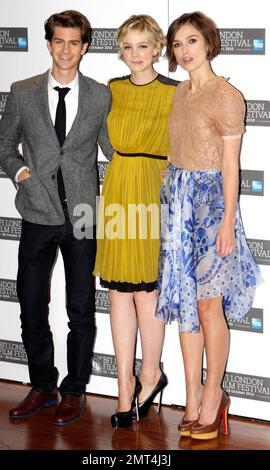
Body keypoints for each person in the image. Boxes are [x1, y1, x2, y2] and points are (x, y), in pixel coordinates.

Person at [0, 10, 113, 426]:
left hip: (82, 213)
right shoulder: (22, 91)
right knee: (30, 305)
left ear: (84, 46)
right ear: (48, 44)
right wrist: (22, 174)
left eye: (73, 42)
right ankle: (43, 385)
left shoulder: (100, 95)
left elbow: (114, 151)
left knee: (80, 308)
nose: (65, 49)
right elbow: (3, 144)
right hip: (37, 211)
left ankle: (74, 390)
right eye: (58, 41)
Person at [156, 11, 262, 440]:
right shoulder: (180, 93)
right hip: (179, 205)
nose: (183, 51)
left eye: (191, 41)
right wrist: (170, 173)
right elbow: (178, 145)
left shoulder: (227, 96)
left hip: (213, 206)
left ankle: (214, 394)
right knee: (185, 304)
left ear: (208, 43)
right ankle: (192, 394)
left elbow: (231, 167)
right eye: (177, 44)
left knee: (207, 305)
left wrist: (225, 223)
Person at [93, 15, 179, 428]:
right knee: (116, 292)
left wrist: (171, 168)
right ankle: (123, 388)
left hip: (152, 188)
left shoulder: (174, 92)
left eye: (142, 46)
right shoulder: (112, 89)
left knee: (147, 291)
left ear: (157, 48)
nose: (134, 55)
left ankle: (150, 375)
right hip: (118, 186)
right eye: (127, 47)